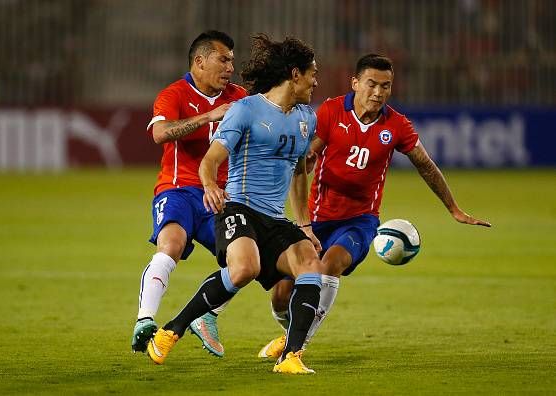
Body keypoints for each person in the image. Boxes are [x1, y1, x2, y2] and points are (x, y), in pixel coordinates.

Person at [257, 53, 492, 360]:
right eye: (372, 84)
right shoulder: (331, 111)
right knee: (280, 295)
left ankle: (295, 347)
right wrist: (307, 161)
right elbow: (306, 157)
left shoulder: (396, 125)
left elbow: (426, 165)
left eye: (386, 86)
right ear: (355, 83)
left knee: (330, 264)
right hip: (316, 219)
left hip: (359, 221)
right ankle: (292, 329)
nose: (379, 92)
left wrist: (454, 209)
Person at [146, 34, 324, 374]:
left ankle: (291, 357)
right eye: (312, 73)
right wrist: (210, 185)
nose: (316, 81)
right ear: (295, 74)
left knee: (310, 265)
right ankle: (173, 329)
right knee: (245, 269)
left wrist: (304, 225)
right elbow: (211, 159)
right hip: (238, 208)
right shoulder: (246, 109)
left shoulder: (306, 118)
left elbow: (300, 173)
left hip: (275, 218)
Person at [131, 30, 247, 358]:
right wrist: (209, 116)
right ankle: (144, 320)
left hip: (220, 197)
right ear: (199, 61)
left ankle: (208, 316)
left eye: (232, 62)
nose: (229, 68)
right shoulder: (175, 93)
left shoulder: (240, 97)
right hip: (178, 189)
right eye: (223, 59)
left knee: (246, 260)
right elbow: (160, 133)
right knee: (172, 245)